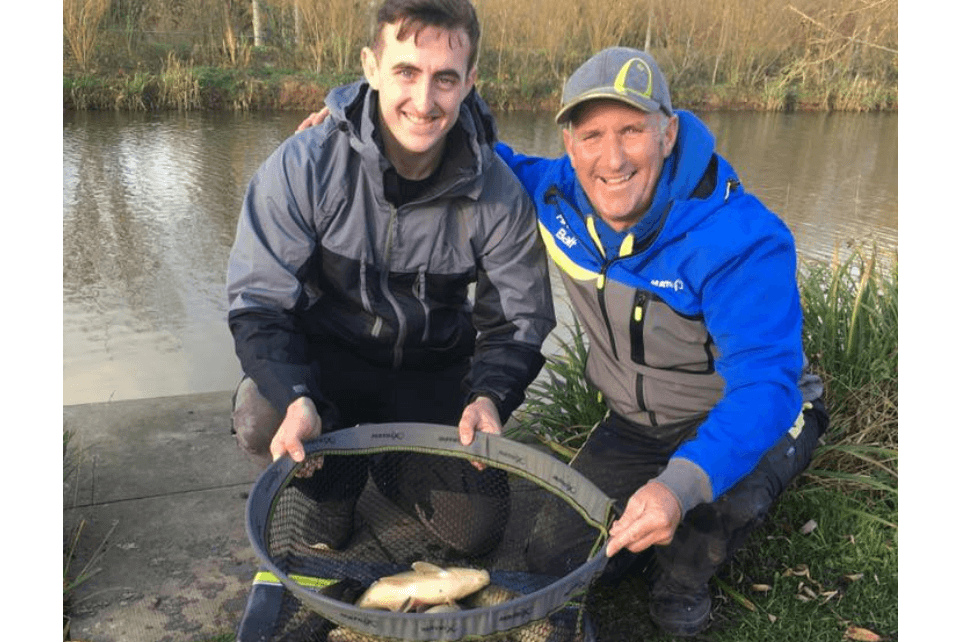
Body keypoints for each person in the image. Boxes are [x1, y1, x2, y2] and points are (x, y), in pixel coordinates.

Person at [297, 46, 827, 638]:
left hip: (758, 412)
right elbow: (462, 147)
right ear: (570, 144)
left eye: (633, 130)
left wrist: (676, 490)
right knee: (550, 558)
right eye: (592, 134)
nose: (614, 157)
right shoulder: (556, 197)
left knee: (710, 505)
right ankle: (655, 524)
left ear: (669, 132)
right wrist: (359, 118)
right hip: (635, 424)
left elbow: (766, 386)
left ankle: (682, 579)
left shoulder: (740, 238)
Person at [226, 0, 555, 558]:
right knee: (263, 414)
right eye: (406, 72)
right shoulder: (304, 165)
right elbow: (258, 303)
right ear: (372, 67)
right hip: (329, 370)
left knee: (477, 531)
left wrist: (490, 396)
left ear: (470, 83)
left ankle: (388, 463)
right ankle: (334, 487)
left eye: (445, 79)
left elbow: (518, 323)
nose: (424, 102)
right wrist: (296, 395)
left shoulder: (497, 191)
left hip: (432, 378)